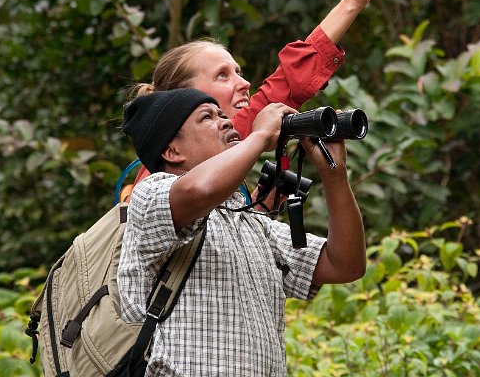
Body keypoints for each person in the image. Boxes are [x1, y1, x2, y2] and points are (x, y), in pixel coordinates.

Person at [121, 0, 387, 198]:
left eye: (238, 72)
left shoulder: (211, 153)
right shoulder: (159, 177)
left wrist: (262, 207)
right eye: (222, 76)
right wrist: (351, 2)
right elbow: (286, 84)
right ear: (181, 98)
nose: (246, 84)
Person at [120, 88, 365, 376]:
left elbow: (345, 264)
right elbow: (200, 189)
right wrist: (259, 136)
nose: (225, 121)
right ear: (172, 151)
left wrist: (335, 173)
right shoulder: (149, 195)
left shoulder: (253, 225)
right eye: (207, 118)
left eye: (223, 115)